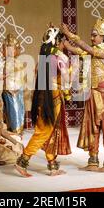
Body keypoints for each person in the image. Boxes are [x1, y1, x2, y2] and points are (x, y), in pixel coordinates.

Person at [61, 13, 104, 172]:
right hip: (94, 93)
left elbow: (86, 48)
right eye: (91, 35)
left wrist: (70, 34)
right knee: (92, 127)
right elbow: (77, 50)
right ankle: (93, 160)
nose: (92, 37)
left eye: (95, 35)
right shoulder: (94, 51)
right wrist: (63, 41)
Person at [15, 26, 72, 177]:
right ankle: (23, 160)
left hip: (44, 95)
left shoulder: (44, 58)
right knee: (44, 130)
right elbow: (67, 80)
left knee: (51, 130)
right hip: (53, 97)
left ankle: (52, 164)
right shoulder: (60, 58)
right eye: (62, 41)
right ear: (57, 42)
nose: (63, 45)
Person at [0, 34, 26, 135]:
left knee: (16, 112)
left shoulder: (15, 62)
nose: (3, 51)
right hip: (12, 91)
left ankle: (16, 132)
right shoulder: (10, 62)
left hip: (15, 91)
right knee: (13, 112)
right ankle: (15, 132)